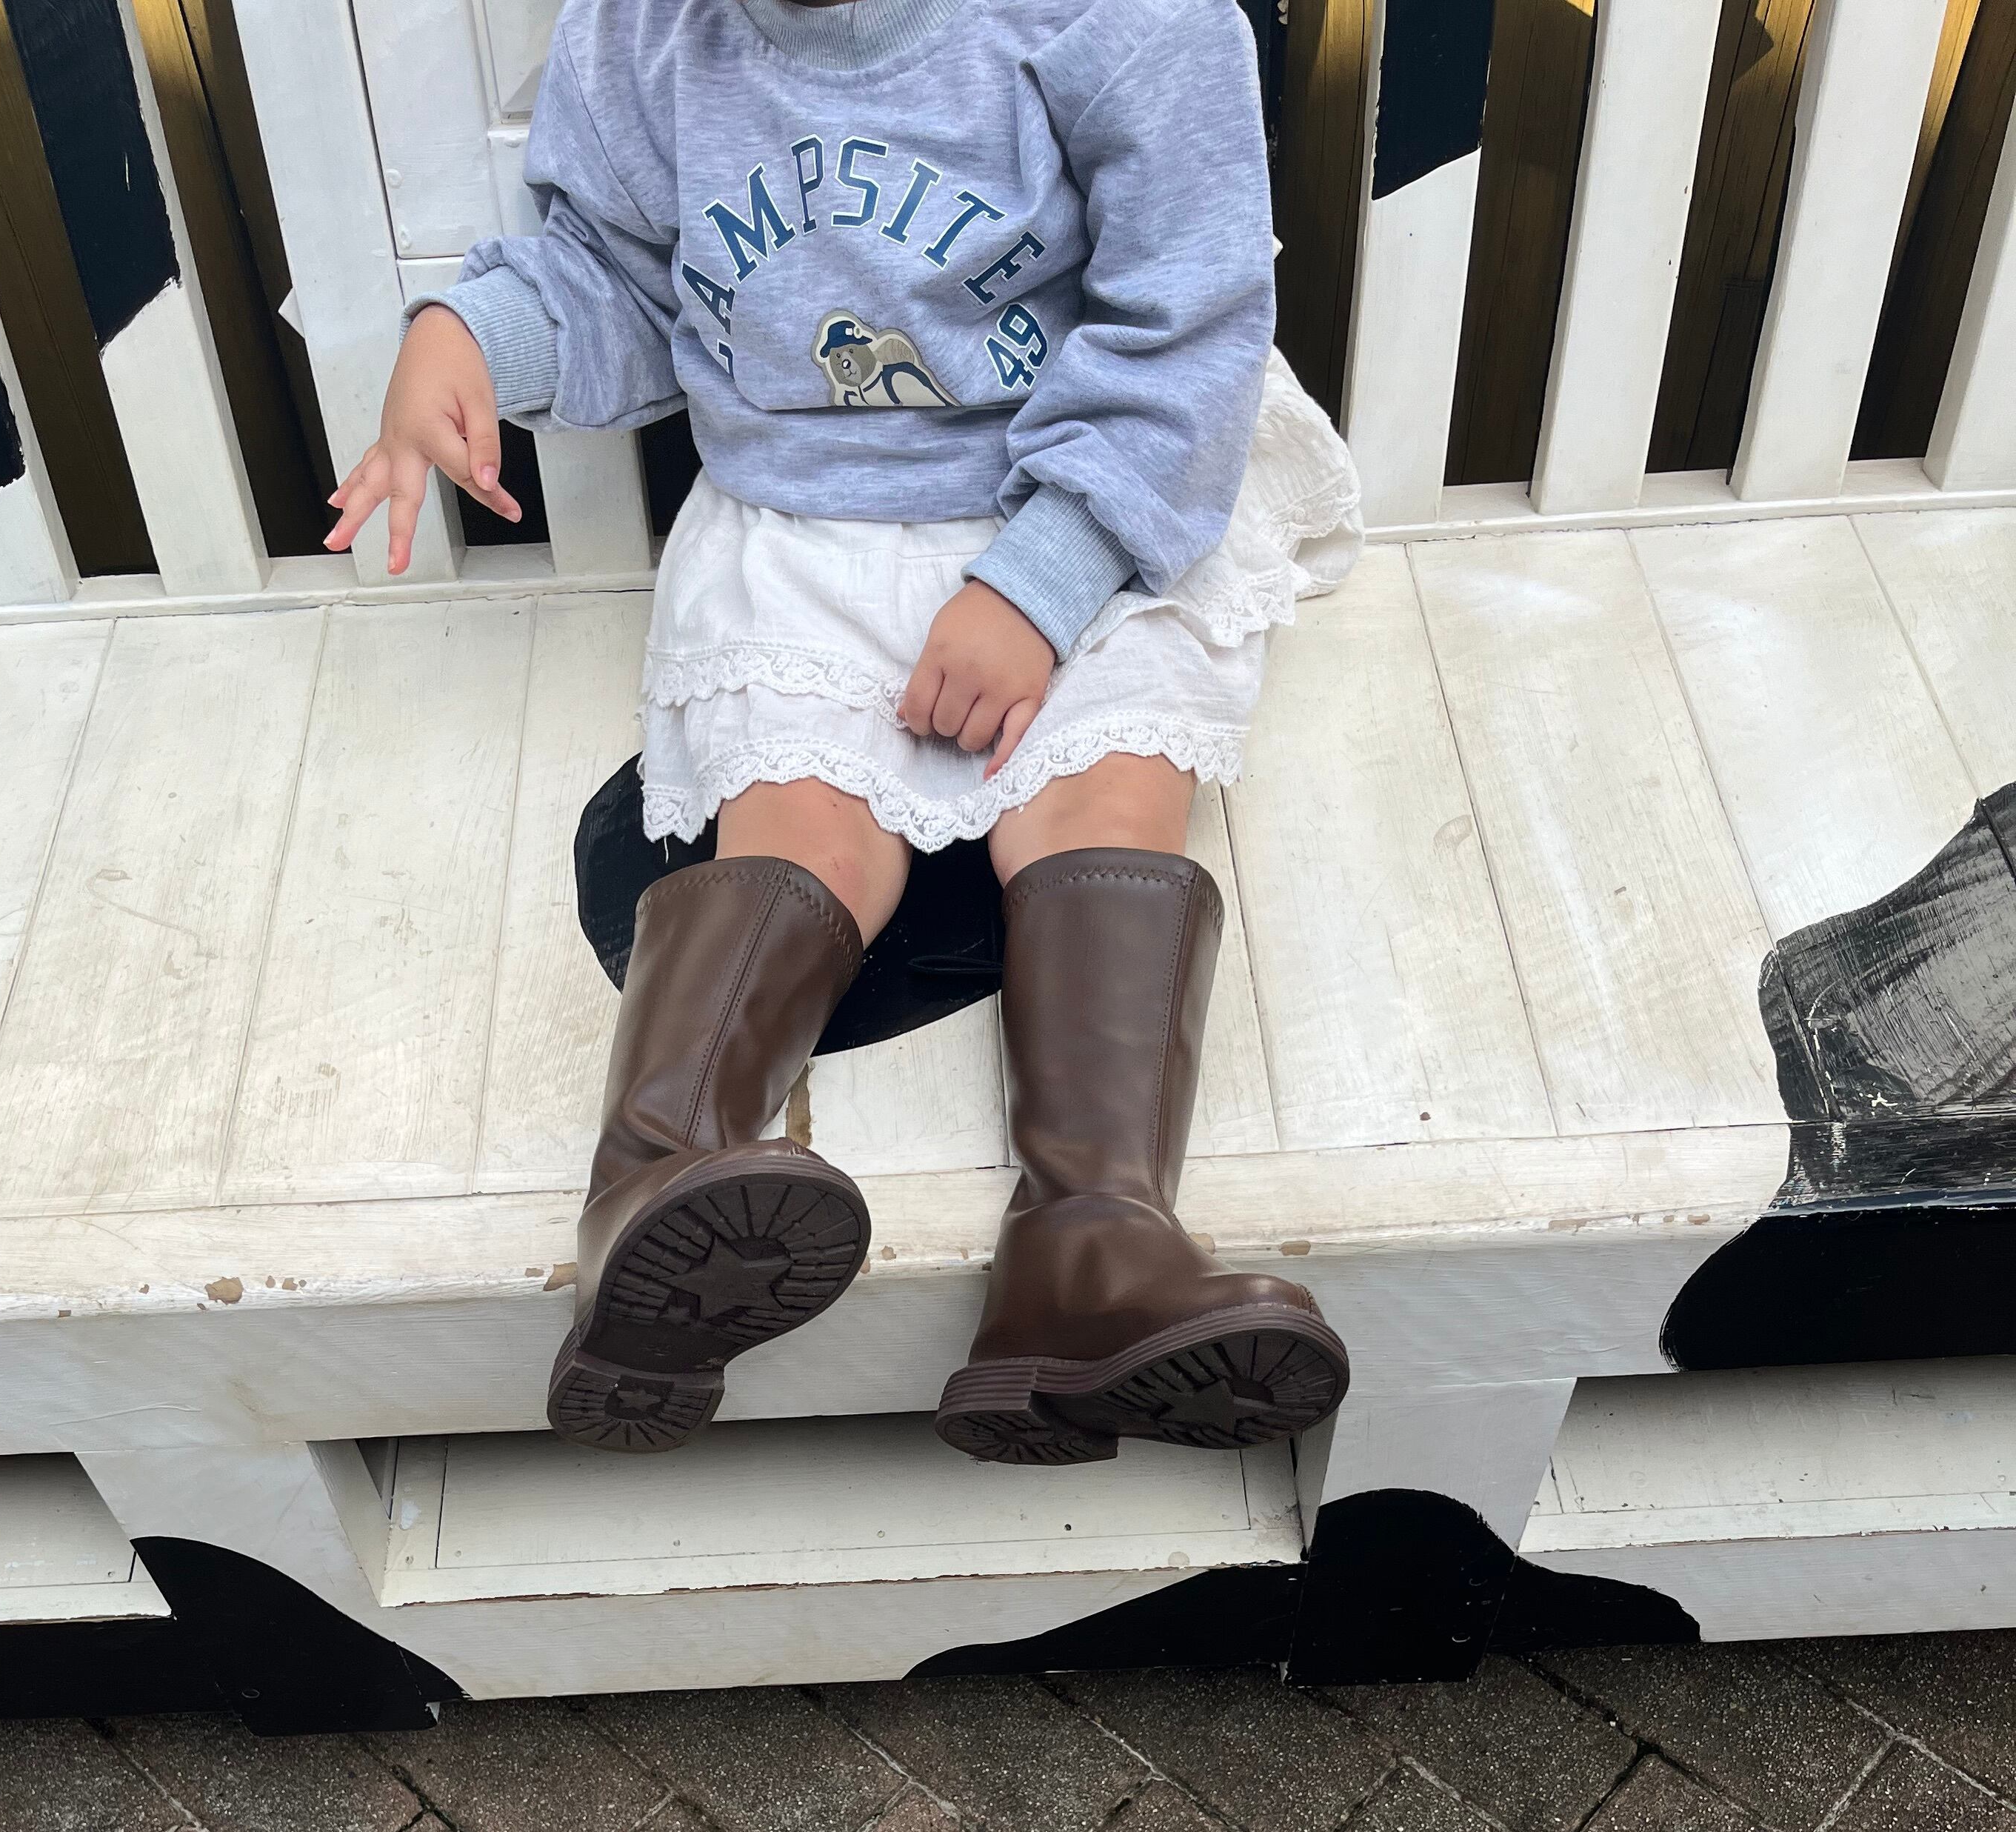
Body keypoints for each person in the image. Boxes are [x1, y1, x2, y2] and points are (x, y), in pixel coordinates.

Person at [328, 0, 1364, 1462]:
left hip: (1093, 493)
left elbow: (1186, 324)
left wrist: (1044, 583)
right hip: (803, 520)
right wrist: (474, 338)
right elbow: (619, 276)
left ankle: (1093, 1243)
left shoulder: (1123, 21)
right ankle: (658, 1184)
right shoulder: (650, 34)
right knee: (807, 822)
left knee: (1103, 789)